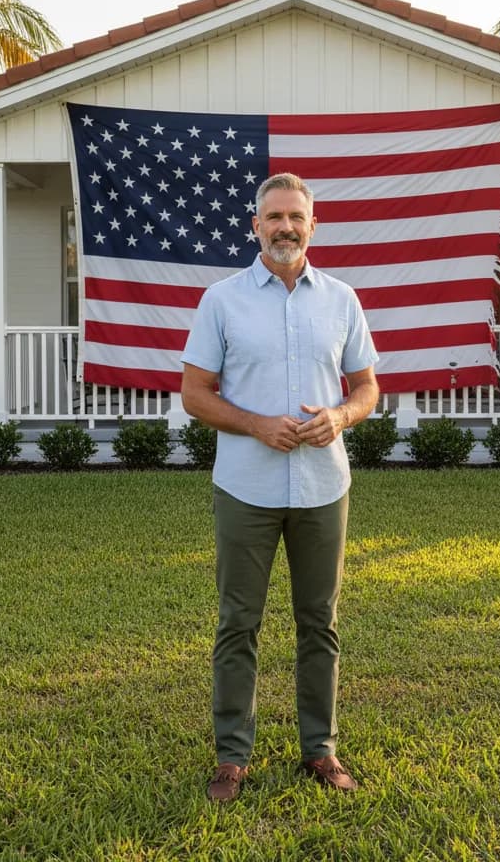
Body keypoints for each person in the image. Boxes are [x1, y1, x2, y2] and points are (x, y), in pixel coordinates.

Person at [180, 172, 380, 803]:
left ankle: (319, 749)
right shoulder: (222, 300)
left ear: (312, 226)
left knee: (319, 622)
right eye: (274, 217)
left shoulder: (342, 299)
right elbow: (194, 394)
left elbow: (368, 388)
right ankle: (232, 755)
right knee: (238, 623)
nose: (286, 227)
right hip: (246, 487)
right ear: (255, 225)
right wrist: (256, 425)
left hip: (325, 487)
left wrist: (341, 416)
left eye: (297, 217)